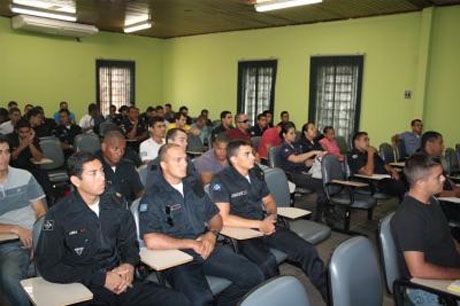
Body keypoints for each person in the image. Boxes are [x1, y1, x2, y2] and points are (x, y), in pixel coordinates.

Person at [36, 151, 189, 306]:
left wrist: (129, 264)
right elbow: (49, 267)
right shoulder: (59, 214)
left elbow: (128, 243)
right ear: (76, 180)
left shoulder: (116, 203)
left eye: (102, 170)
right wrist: (101, 278)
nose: (102, 177)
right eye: (93, 173)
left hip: (119, 277)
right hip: (83, 286)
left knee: (178, 301)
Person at [139, 143, 264, 306]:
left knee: (254, 275)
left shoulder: (194, 188)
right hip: (176, 256)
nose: (184, 163)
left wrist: (211, 234)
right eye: (178, 160)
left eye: (185, 159)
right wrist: (191, 243)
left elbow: (215, 218)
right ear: (163, 165)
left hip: (206, 245)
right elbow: (151, 240)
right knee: (201, 300)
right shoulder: (153, 197)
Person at [209, 139, 327, 299]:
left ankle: (332, 295)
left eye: (252, 152)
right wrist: (259, 224)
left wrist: (271, 216)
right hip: (242, 233)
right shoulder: (221, 180)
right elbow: (223, 218)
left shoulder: (256, 173)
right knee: (267, 264)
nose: (254, 157)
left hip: (265, 222)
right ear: (234, 159)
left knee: (307, 251)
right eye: (247, 154)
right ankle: (279, 298)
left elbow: (269, 202)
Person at [391, 153, 460, 306]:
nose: (443, 179)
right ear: (421, 182)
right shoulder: (409, 217)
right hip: (426, 288)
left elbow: (447, 238)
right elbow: (418, 271)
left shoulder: (432, 201)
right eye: (438, 176)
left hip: (448, 273)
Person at [0, 136, 47, 306]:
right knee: (8, 276)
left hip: (34, 237)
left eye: (6, 152)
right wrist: (16, 229)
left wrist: (38, 238)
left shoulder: (24, 176)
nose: (4, 157)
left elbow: (41, 212)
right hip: (10, 243)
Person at [277, 122, 328, 221]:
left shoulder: (295, 146)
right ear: (284, 135)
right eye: (291, 133)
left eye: (294, 133)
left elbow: (304, 163)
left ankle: (322, 212)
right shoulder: (283, 147)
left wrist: (315, 160)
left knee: (324, 181)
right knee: (321, 184)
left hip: (301, 172)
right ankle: (320, 215)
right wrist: (313, 152)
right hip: (291, 175)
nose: (294, 135)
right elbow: (296, 159)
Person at [347, 131, 407, 200]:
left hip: (385, 177)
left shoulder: (370, 151)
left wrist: (393, 171)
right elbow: (368, 173)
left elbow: (384, 164)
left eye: (368, 140)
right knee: (401, 186)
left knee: (408, 178)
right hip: (373, 183)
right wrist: (370, 154)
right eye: (365, 139)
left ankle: (406, 204)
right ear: (356, 142)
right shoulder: (353, 155)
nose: (368, 142)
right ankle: (407, 207)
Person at [144, 128, 199, 193]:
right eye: (182, 140)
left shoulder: (187, 161)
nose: (186, 143)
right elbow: (154, 187)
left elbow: (195, 180)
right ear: (170, 141)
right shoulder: (155, 164)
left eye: (186, 140)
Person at [97, 130, 143, 205]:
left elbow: (139, 190)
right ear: (104, 147)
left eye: (123, 149)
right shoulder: (94, 168)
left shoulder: (128, 166)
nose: (120, 153)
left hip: (127, 208)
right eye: (115, 149)